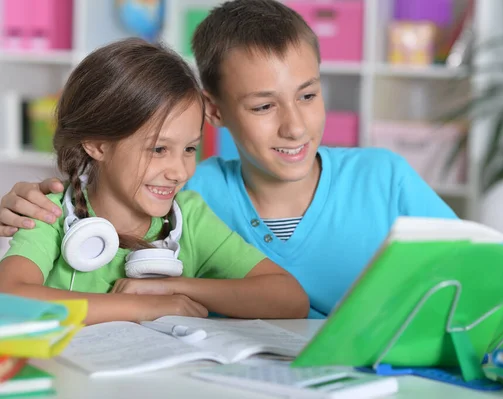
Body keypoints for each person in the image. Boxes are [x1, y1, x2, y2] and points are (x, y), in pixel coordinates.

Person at [0, 0, 456, 319]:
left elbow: (484, 275)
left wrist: (171, 289)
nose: (294, 127)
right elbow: (108, 182)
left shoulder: (383, 177)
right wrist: (23, 201)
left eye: (309, 95)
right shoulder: (190, 194)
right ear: (213, 110)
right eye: (263, 106)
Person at [0, 38, 308, 325]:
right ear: (97, 144)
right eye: (159, 149)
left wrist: (172, 289)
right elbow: (8, 299)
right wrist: (143, 308)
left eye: (189, 149)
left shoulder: (191, 217)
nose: (179, 171)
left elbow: (290, 299)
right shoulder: (51, 213)